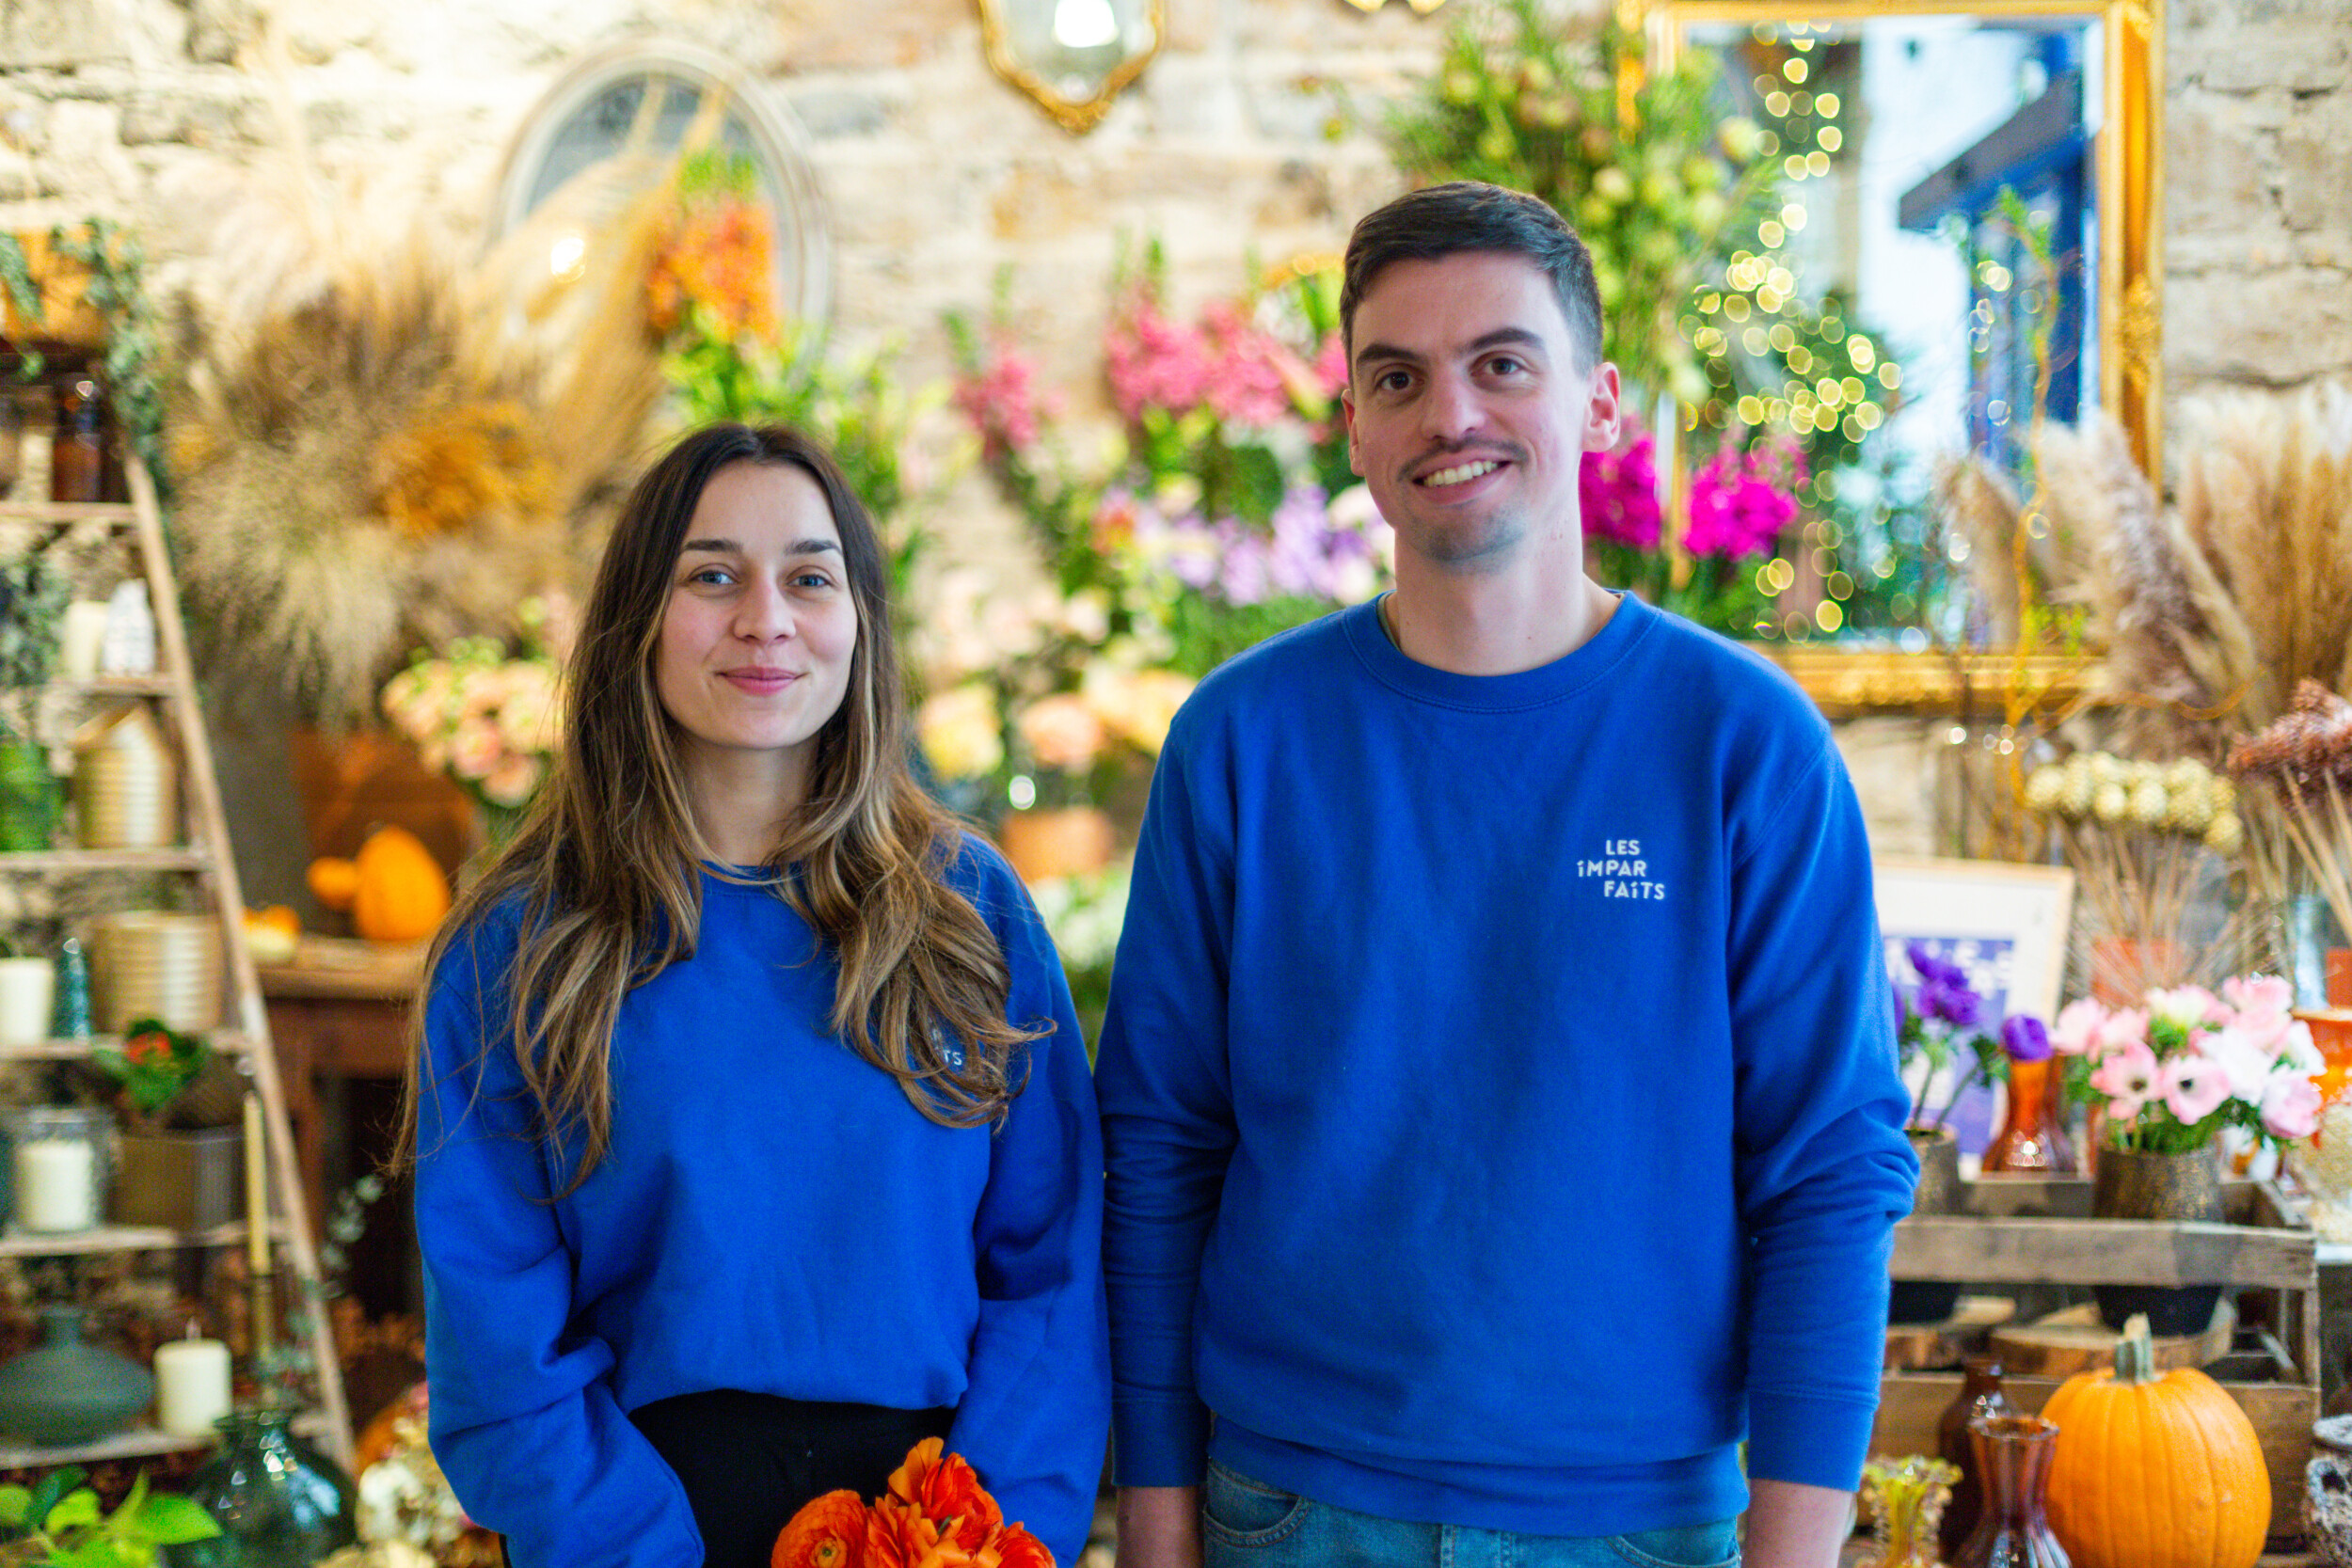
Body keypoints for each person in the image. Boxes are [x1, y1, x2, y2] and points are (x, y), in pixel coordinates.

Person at [1095, 182, 1917, 1568]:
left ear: (1599, 402)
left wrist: (1796, 1545)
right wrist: (1161, 1526)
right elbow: (1160, 1145)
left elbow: (1830, 1161)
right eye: (1398, 377)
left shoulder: (1742, 742)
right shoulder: (1241, 742)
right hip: (1289, 1512)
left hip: (1643, 1522)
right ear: (1351, 422)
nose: (1451, 415)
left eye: (1502, 364)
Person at [403, 423, 1110, 1568]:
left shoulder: (969, 912)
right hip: (641, 1524)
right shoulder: (521, 947)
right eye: (713, 574)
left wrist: (984, 1533)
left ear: (859, 623)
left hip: (939, 1519)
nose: (765, 617)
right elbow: (497, 1331)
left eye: (810, 577)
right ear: (639, 618)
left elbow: (1055, 1271)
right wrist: (627, 1548)